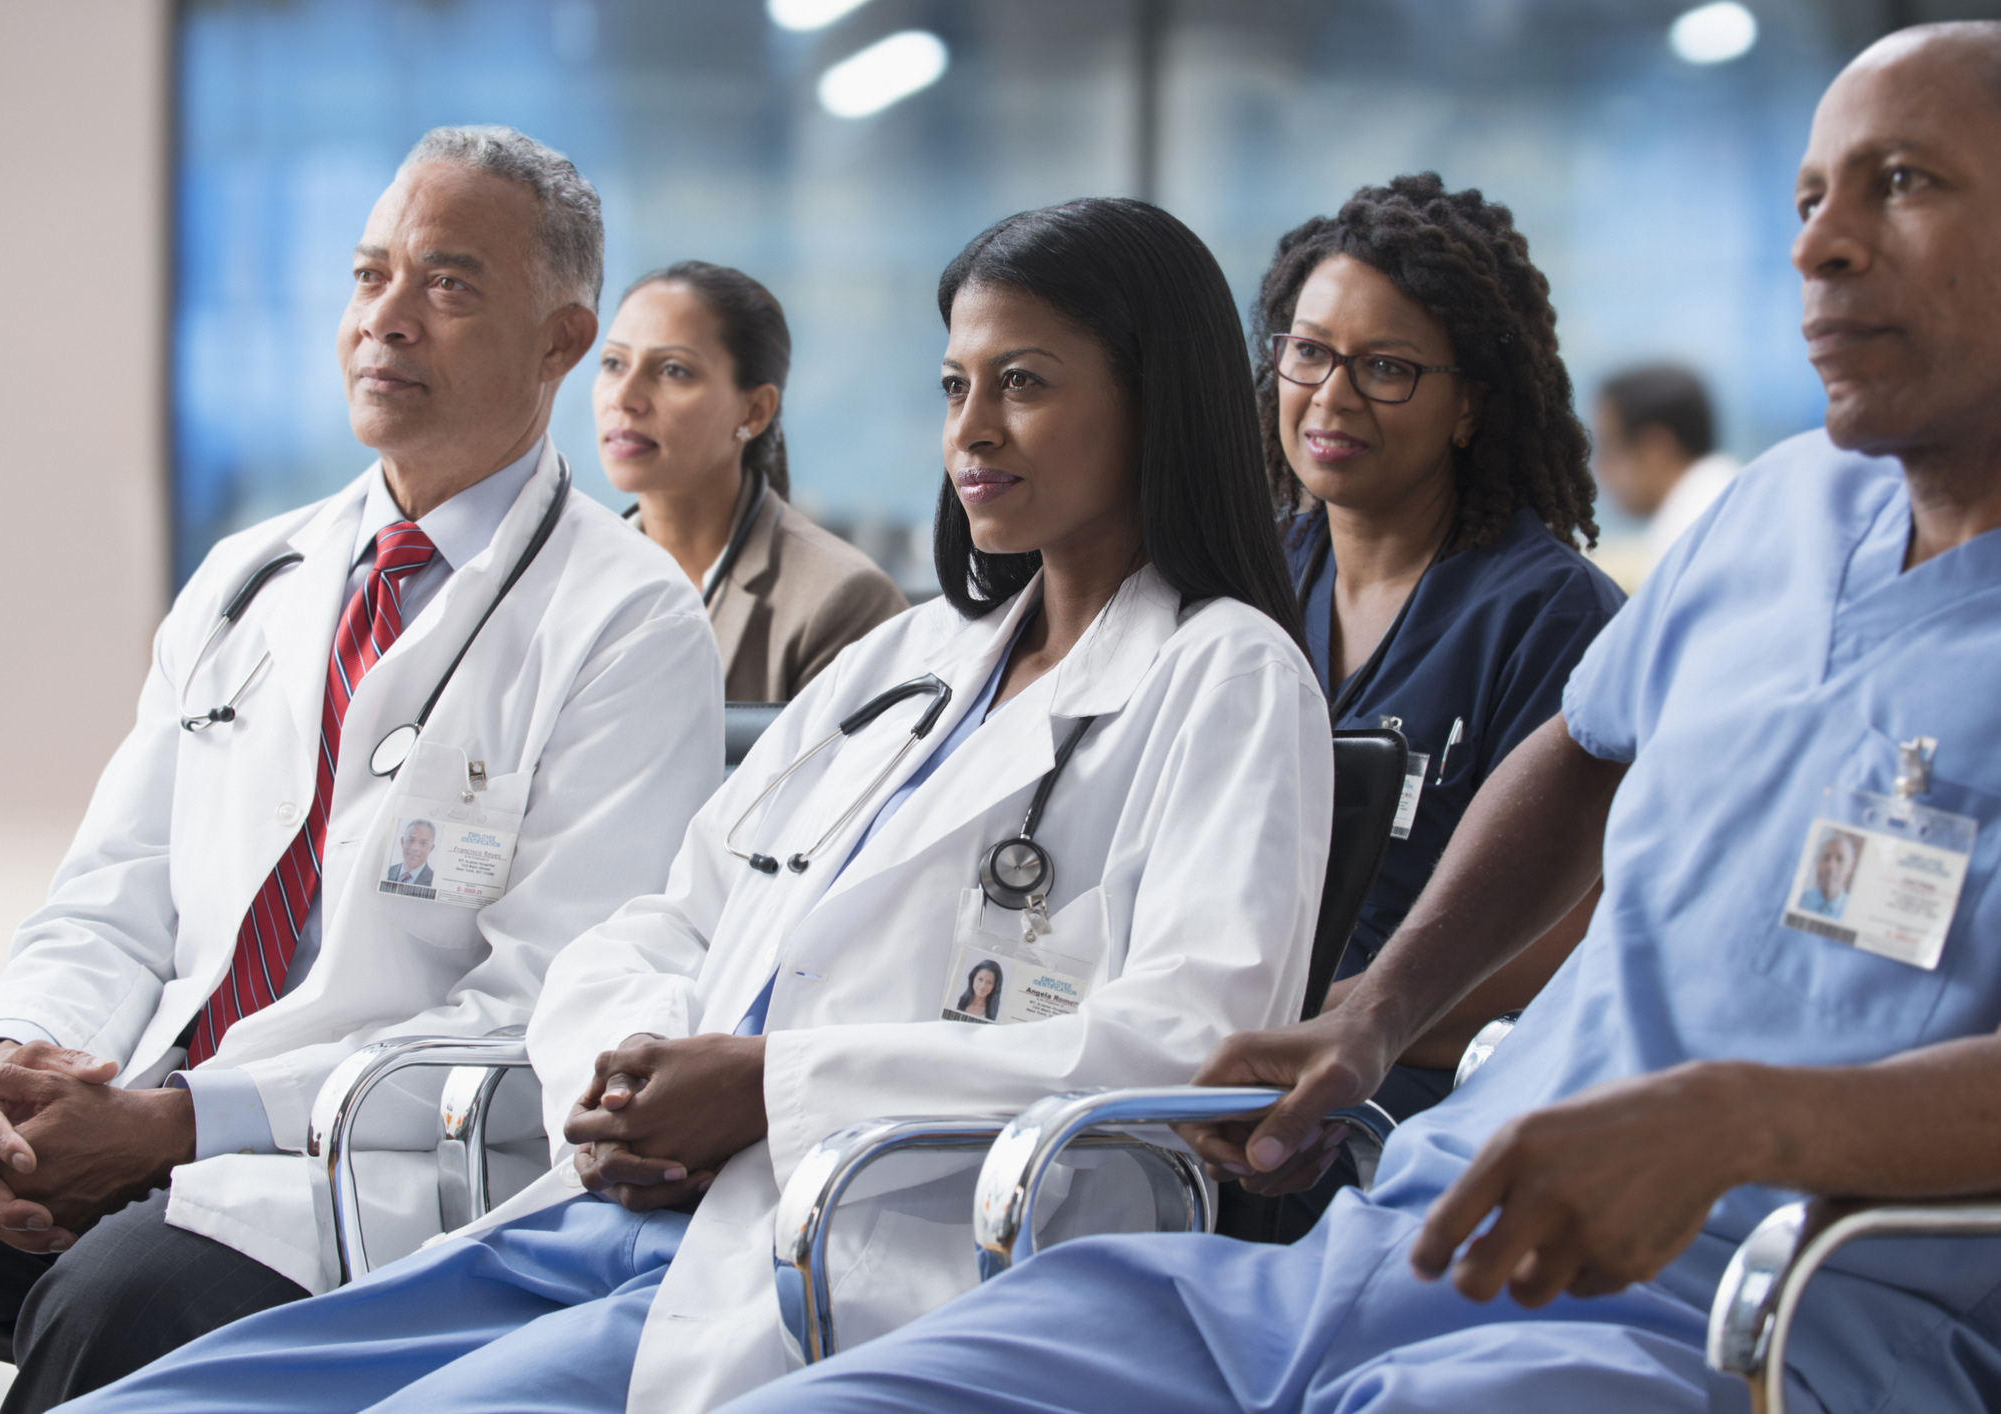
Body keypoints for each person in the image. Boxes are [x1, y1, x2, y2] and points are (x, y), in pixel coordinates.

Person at [711, 21, 2001, 1414]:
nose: (1819, 245)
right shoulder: (1769, 513)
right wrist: (1376, 1012)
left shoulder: (1519, 597)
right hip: (1400, 1234)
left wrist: (1746, 1116)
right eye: (1808, 195)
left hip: (1725, 1312)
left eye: (1903, 183)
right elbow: (1576, 747)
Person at [48, 197, 1335, 1414]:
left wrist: (777, 1087)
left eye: (1026, 383)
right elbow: (664, 918)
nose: (971, 432)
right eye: (955, 386)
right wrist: (624, 1080)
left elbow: (1185, 1045)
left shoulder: (1223, 676)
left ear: (1155, 399)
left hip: (864, 1249)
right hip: (628, 1208)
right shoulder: (909, 664)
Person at [0, 125, 724, 1411]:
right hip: (145, 1091)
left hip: (352, 1170)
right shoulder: (251, 577)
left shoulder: (628, 624)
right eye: (368, 273)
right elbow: (114, 894)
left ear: (561, 340)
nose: (385, 319)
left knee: (118, 1301)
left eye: (447, 285)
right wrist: (18, 1069)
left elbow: (544, 1014)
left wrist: (181, 1125)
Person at [1249, 176, 1625, 1240]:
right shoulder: (1251, 581)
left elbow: (1562, 938)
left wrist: (1349, 1023)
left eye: (1387, 368)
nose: (1330, 397)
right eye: (1309, 351)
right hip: (1227, 1047)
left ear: (1471, 403)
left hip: (1417, 1102)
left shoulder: (1550, 618)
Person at [598, 260, 907, 700]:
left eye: (673, 370)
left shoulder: (842, 601)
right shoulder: (556, 578)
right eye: (613, 363)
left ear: (755, 411)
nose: (624, 397)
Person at [1593, 363, 1740, 586]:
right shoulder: (1730, 494)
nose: (1600, 470)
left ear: (1655, 449)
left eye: (1608, 449)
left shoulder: (1687, 536)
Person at [1795, 830, 1861, 920]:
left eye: (1840, 859)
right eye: (1826, 857)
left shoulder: (1856, 912)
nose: (1831, 866)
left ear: (1850, 867)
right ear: (1817, 862)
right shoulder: (1799, 901)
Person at [380, 819, 437, 895]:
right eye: (410, 840)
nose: (415, 848)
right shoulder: (386, 871)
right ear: (403, 842)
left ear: (431, 848)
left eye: (423, 843)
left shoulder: (435, 881)